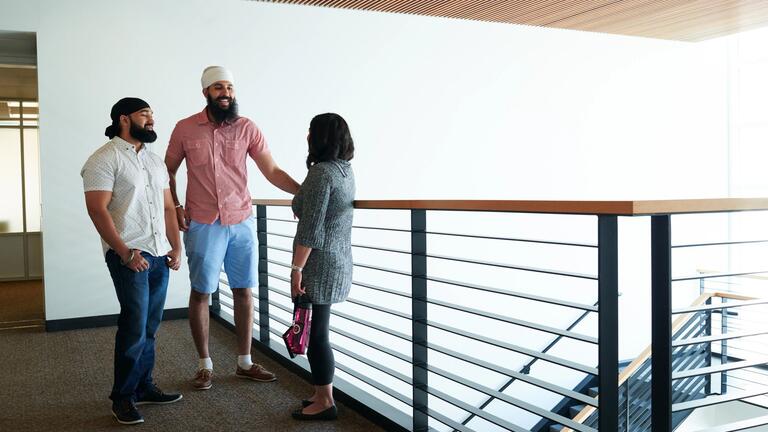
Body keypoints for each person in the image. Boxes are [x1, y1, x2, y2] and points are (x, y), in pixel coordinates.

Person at [165, 66, 300, 390]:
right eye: (218, 87)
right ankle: (204, 365)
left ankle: (244, 362)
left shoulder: (247, 128)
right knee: (201, 293)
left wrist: (304, 193)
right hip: (203, 222)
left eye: (229, 87)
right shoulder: (185, 128)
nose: (225, 92)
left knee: (244, 291)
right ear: (206, 93)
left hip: (241, 221)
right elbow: (166, 172)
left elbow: (271, 170)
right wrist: (177, 209)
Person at [82, 97, 183, 425]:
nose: (152, 120)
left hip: (158, 256)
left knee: (150, 327)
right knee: (134, 327)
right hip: (129, 257)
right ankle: (122, 398)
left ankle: (143, 386)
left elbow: (168, 208)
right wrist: (125, 253)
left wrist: (176, 246)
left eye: (153, 114)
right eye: (145, 115)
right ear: (124, 119)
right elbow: (97, 209)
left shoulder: (153, 162)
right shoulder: (104, 158)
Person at [290, 113, 355, 421]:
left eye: (310, 131)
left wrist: (296, 270)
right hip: (339, 259)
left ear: (319, 137)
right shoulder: (345, 171)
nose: (306, 136)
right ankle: (319, 392)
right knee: (319, 331)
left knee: (317, 334)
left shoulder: (322, 174)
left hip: (319, 263)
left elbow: (311, 229)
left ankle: (326, 400)